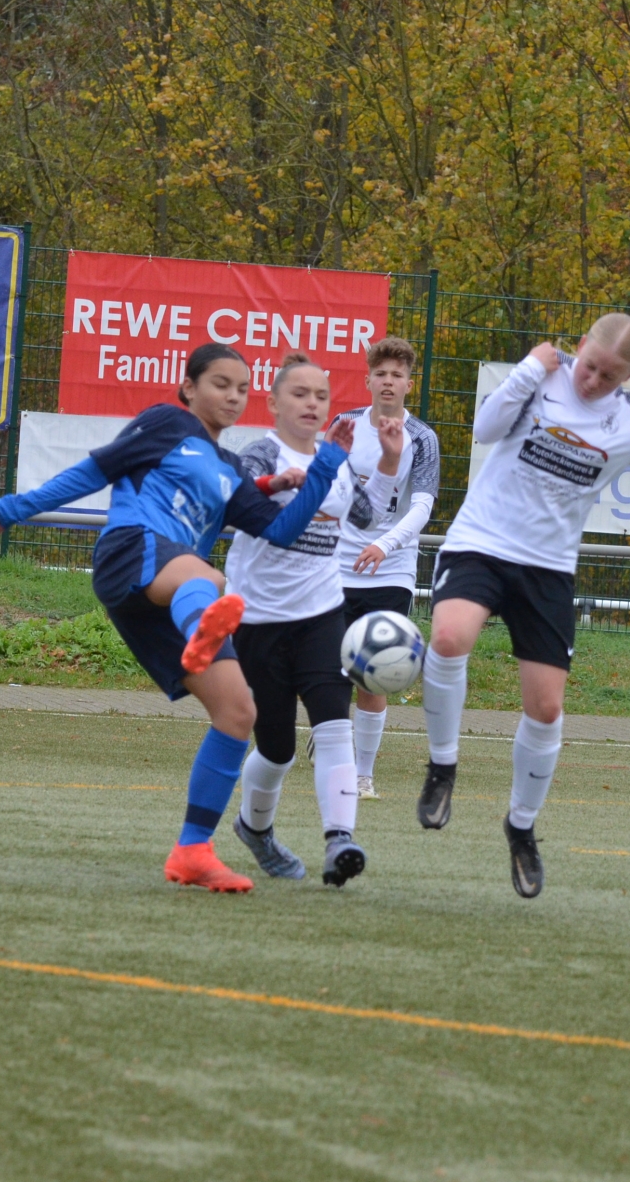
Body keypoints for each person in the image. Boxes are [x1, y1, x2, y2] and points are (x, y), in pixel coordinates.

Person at [0, 344, 360, 894]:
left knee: (237, 711)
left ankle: (192, 851)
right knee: (211, 580)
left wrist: (318, 470)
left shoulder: (230, 470)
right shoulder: (166, 422)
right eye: (220, 384)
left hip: (165, 593)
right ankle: (202, 626)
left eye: (241, 389)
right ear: (188, 388)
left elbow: (281, 531)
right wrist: (18, 507)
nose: (232, 396)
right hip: (131, 552)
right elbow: (95, 471)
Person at [416, 314, 630, 897]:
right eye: (589, 366)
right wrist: (530, 368)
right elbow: (484, 430)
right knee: (450, 638)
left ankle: (521, 827)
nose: (592, 382)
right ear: (578, 347)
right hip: (481, 542)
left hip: (548, 566)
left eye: (609, 376)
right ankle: (442, 767)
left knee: (547, 708)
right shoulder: (542, 377)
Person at [224, 353, 408, 887]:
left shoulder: (340, 462)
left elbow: (372, 514)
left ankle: (340, 839)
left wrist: (391, 461)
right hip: (259, 620)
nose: (311, 404)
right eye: (300, 394)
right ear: (273, 402)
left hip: (322, 614)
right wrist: (316, 472)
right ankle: (254, 829)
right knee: (277, 749)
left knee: (333, 725)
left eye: (321, 396)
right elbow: (266, 521)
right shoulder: (257, 457)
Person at [330, 337, 440, 799]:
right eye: (382, 374)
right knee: (327, 668)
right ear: (368, 380)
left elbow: (422, 505)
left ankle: (363, 774)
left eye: (397, 375)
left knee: (371, 672)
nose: (389, 381)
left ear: (408, 385)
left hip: (390, 568)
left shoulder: (423, 438)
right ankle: (333, 747)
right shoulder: (344, 425)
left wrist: (383, 543)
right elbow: (326, 487)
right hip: (335, 565)